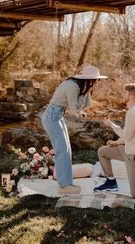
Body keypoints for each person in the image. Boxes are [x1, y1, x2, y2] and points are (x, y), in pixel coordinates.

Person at [42, 66, 107, 195]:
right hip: (52, 117)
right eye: (96, 80)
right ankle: (64, 186)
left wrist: (88, 91)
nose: (97, 83)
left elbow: (81, 107)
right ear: (89, 80)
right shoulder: (73, 86)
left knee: (66, 150)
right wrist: (88, 91)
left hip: (57, 116)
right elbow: (75, 109)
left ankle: (67, 183)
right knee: (62, 151)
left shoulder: (77, 85)